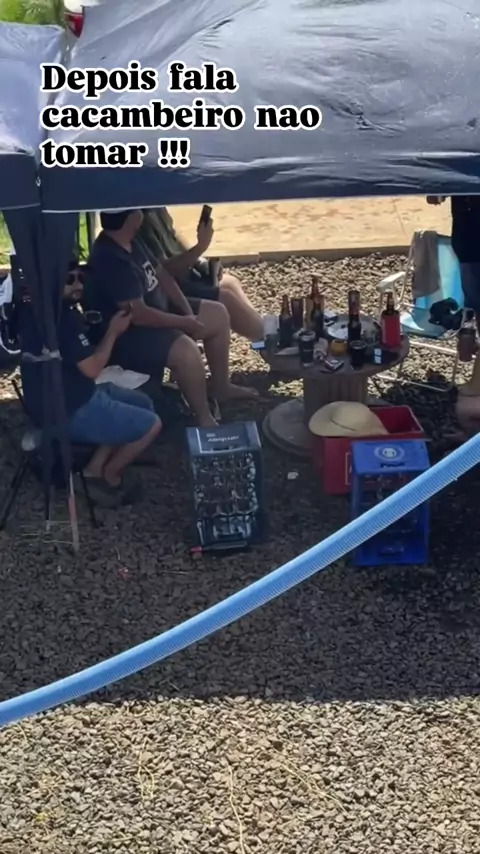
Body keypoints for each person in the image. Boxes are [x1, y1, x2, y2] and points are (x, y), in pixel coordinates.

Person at [85, 209, 258, 428]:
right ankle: (204, 418)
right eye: (136, 209)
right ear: (130, 218)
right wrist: (183, 323)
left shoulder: (132, 241)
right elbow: (139, 315)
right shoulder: (110, 259)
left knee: (217, 314)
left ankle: (221, 387)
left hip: (158, 311)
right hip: (128, 335)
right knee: (186, 352)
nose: (142, 211)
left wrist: (186, 312)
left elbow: (163, 276)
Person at [18, 261, 162, 506]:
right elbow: (93, 369)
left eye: (80, 278)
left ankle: (93, 469)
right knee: (152, 424)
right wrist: (113, 332)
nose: (78, 285)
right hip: (70, 409)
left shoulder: (38, 310)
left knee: (143, 404)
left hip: (63, 398)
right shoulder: (62, 320)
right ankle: (109, 477)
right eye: (69, 280)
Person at [138, 207, 264, 341]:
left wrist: (199, 261)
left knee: (230, 283)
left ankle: (264, 335)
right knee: (226, 298)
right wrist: (200, 248)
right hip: (169, 290)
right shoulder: (143, 223)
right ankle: (268, 337)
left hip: (184, 277)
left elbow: (174, 237)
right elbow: (167, 271)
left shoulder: (157, 208)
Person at [427, 195, 480, 319]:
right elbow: (434, 197)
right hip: (468, 244)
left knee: (476, 303)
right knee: (476, 304)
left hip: (466, 242)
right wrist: (439, 193)